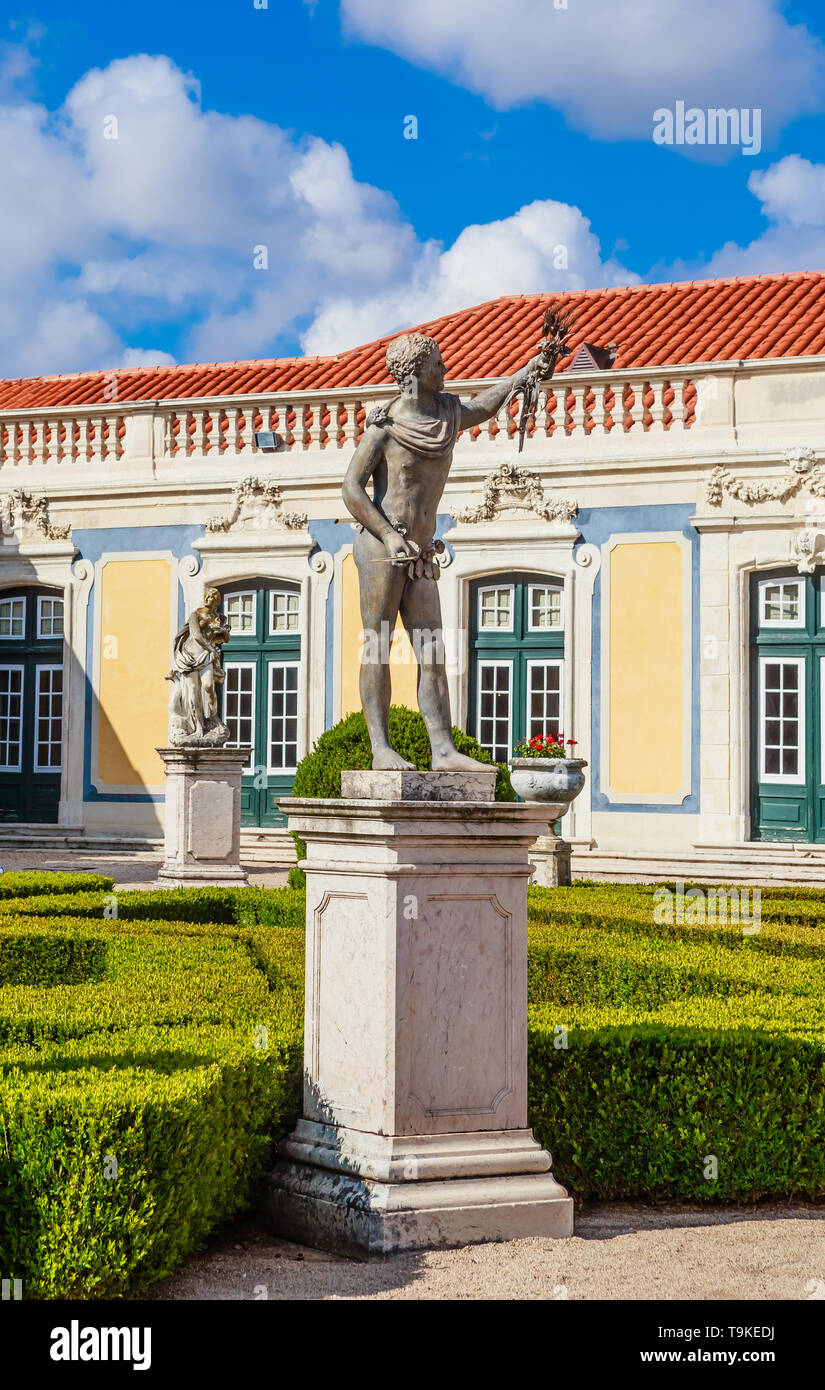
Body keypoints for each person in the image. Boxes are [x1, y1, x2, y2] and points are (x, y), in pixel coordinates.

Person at [342, 331, 553, 771]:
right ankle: (381, 749)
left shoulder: (447, 413)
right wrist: (387, 533)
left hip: (419, 552)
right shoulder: (385, 428)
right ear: (416, 373)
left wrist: (521, 377)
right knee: (378, 647)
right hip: (381, 548)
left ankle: (443, 750)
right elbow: (351, 489)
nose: (445, 369)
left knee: (432, 650)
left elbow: (484, 405)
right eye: (438, 363)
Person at [167, 587, 231, 744]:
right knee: (193, 690)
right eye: (207, 596)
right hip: (189, 655)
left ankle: (213, 718)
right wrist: (211, 648)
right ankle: (198, 727)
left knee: (209, 686)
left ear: (216, 601)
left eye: (212, 597)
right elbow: (196, 635)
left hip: (205, 656)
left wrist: (222, 630)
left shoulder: (219, 618)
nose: (209, 598)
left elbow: (226, 638)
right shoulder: (195, 615)